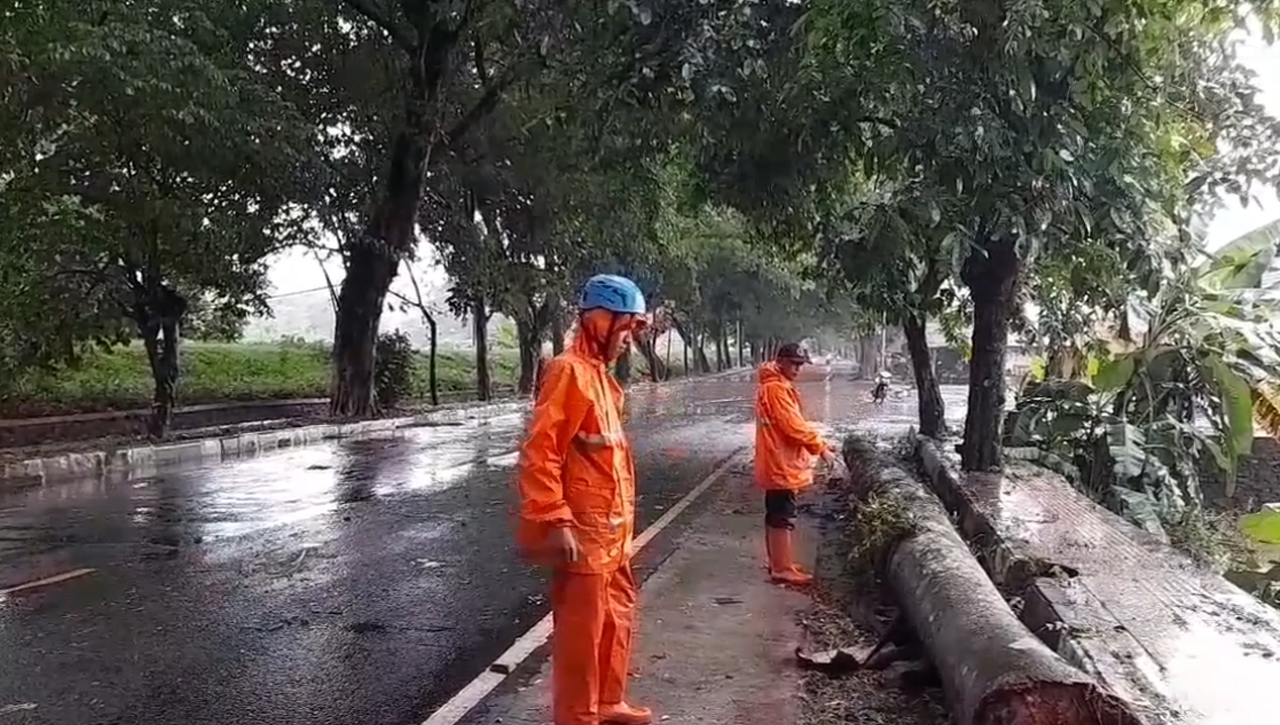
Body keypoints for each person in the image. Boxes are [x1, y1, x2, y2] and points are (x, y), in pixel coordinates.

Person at [515, 274, 652, 725]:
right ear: (598, 320)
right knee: (582, 635)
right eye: (626, 327)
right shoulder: (568, 372)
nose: (628, 340)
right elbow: (542, 451)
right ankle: (578, 716)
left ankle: (608, 702)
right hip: (585, 533)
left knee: (616, 621)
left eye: (633, 330)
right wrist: (555, 517)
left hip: (614, 534)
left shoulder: (600, 378)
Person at [754, 342, 838, 585]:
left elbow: (793, 425)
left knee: (776, 513)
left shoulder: (774, 385)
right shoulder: (776, 389)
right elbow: (793, 427)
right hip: (780, 463)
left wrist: (820, 442)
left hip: (776, 460)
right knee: (782, 515)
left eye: (801, 365)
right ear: (780, 362)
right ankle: (781, 568)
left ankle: (779, 563)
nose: (798, 369)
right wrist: (820, 448)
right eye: (794, 364)